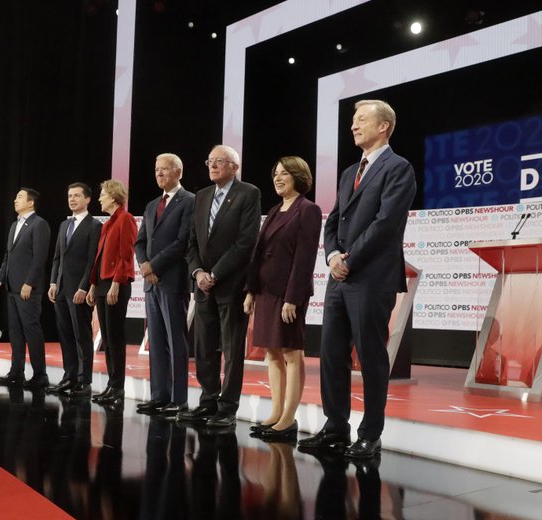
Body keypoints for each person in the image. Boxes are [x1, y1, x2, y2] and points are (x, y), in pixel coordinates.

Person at [298, 99, 416, 458]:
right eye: (353, 120)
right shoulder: (351, 172)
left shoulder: (399, 168)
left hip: (372, 276)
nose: (353, 125)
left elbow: (386, 223)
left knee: (370, 356)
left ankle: (371, 433)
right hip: (340, 277)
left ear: (384, 126)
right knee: (332, 354)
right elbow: (334, 221)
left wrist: (351, 259)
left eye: (361, 119)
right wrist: (333, 256)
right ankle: (336, 426)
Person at [178, 145, 261, 428]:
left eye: (219, 162)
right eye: (209, 161)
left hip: (231, 285)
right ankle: (208, 400)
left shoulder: (248, 194)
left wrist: (215, 273)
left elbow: (246, 242)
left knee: (232, 348)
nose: (212, 166)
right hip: (203, 286)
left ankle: (227, 407)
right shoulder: (201, 197)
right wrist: (198, 272)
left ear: (234, 167)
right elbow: (192, 242)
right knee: (203, 347)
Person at [244, 157, 322, 442]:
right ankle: (275, 413)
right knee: (271, 353)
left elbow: (305, 258)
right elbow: (258, 254)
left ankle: (289, 419)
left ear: (298, 177)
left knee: (291, 353)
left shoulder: (308, 210)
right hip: (265, 291)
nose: (278, 178)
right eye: (275, 173)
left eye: (284, 173)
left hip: (288, 294)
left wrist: (293, 297)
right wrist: (251, 291)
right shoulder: (275, 210)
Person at [134, 153, 195, 416]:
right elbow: (139, 242)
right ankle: (159, 396)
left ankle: (178, 399)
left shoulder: (189, 201)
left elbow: (182, 242)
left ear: (178, 172)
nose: (159, 174)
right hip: (151, 283)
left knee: (175, 341)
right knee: (156, 341)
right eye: (156, 169)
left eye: (164, 169)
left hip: (172, 280)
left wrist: (154, 265)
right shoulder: (151, 205)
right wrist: (145, 266)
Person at [0, 188, 52, 389]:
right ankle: (16, 372)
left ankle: (40, 375)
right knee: (16, 332)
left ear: (31, 202)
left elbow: (39, 258)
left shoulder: (39, 224)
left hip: (28, 289)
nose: (15, 200)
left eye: (19, 197)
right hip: (12, 288)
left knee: (31, 330)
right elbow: (8, 258)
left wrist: (30, 283)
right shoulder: (14, 225)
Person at [46, 182, 102, 397]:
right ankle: (68, 377)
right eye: (70, 195)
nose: (72, 199)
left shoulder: (94, 225)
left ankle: (84, 381)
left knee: (82, 336)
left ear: (88, 199)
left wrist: (83, 286)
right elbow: (57, 258)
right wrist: (53, 282)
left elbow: (91, 261)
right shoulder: (64, 225)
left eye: (77, 195)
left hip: (78, 290)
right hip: (60, 289)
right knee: (66, 336)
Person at [86, 180, 138, 405]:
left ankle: (118, 388)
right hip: (102, 284)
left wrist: (116, 283)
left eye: (102, 194)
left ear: (114, 197)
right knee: (107, 337)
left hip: (116, 284)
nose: (99, 198)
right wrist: (93, 285)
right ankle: (111, 384)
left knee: (115, 337)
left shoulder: (126, 219)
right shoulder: (107, 224)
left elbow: (126, 255)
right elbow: (100, 259)